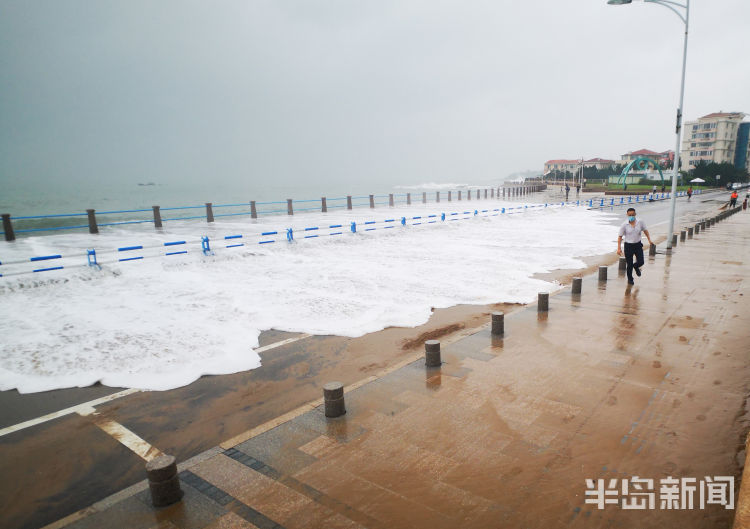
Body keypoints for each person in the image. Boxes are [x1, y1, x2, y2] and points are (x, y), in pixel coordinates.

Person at [617, 208, 654, 285]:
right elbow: (620, 237)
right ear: (627, 215)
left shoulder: (640, 222)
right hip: (628, 246)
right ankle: (630, 279)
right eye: (629, 215)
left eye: (633, 215)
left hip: (637, 245)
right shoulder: (624, 225)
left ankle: (636, 267)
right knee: (629, 265)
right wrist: (619, 248)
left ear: (635, 214)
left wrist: (649, 240)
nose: (631, 216)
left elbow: (645, 231)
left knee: (641, 261)